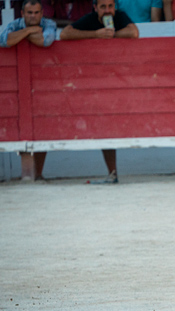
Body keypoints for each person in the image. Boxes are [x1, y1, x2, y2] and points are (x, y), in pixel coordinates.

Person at [59, 0, 138, 183]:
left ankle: (113, 173)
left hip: (120, 77)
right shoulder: (90, 20)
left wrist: (112, 35)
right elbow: (65, 34)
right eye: (103, 7)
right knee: (105, 126)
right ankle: (113, 173)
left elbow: (133, 32)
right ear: (95, 8)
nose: (107, 10)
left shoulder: (119, 17)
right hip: (96, 80)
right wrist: (96, 34)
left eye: (110, 6)